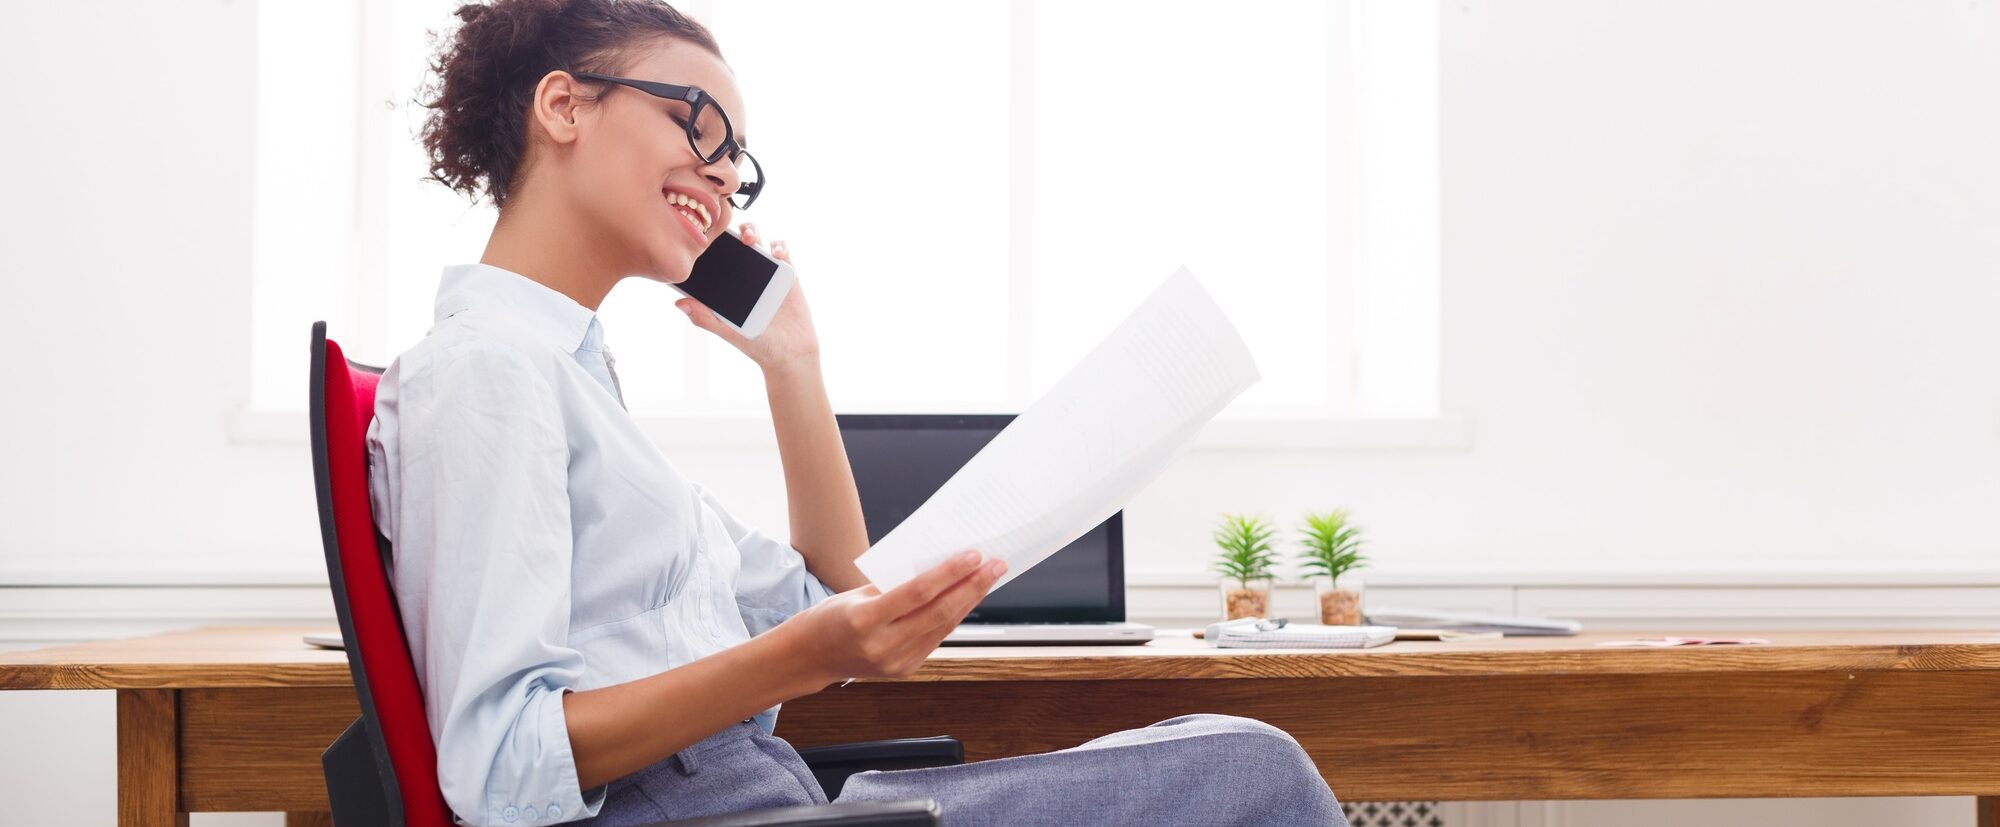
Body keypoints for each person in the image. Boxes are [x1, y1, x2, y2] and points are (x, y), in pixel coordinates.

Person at [367, 1, 1349, 824]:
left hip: (762, 793)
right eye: (698, 126)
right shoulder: (490, 372)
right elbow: (500, 765)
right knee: (1249, 771)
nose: (718, 171)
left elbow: (831, 591)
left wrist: (791, 364)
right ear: (562, 105)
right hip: (713, 808)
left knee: (1220, 748)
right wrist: (798, 658)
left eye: (735, 161)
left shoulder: (569, 379)